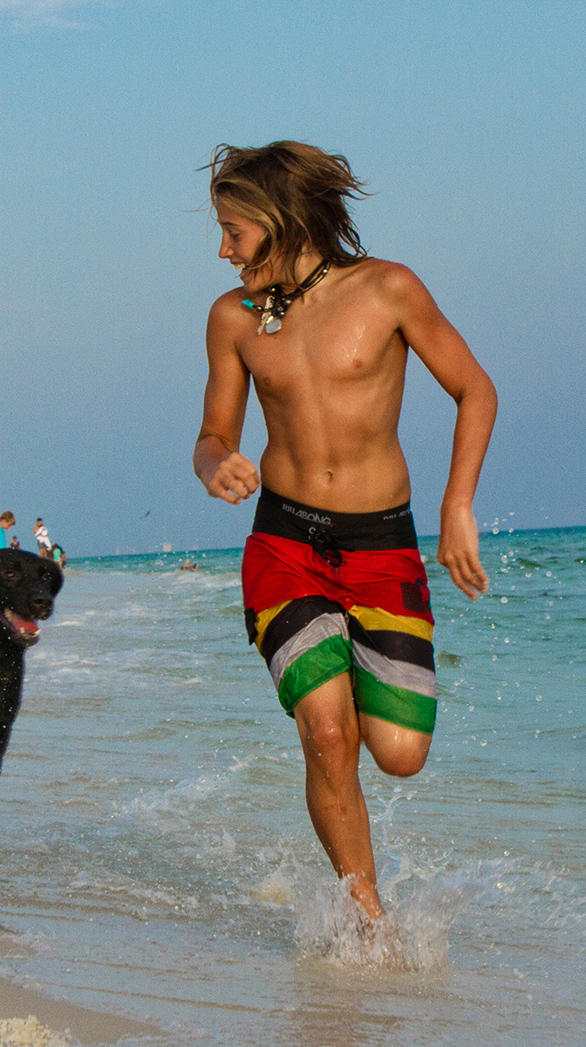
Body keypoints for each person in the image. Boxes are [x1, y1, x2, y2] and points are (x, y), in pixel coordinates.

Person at [193, 142, 497, 923]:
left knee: (398, 755)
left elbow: (474, 389)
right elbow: (211, 432)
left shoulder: (387, 289)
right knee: (328, 734)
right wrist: (216, 461)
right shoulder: (234, 319)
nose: (222, 251)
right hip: (283, 546)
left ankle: (338, 702)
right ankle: (369, 922)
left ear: (279, 219)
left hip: (381, 548)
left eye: (233, 231)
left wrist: (456, 504)